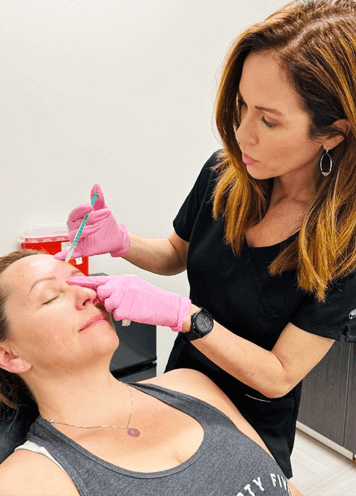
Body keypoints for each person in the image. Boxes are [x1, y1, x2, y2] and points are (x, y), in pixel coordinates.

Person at [54, 0, 356, 480]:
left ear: (332, 134)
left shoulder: (344, 244)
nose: (241, 134)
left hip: (254, 422)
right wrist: (120, 241)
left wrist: (186, 317)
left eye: (269, 120)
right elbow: (176, 254)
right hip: (184, 384)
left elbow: (278, 376)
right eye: (241, 107)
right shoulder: (224, 174)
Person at [0, 250, 304, 495]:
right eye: (51, 296)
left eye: (83, 281)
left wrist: (187, 313)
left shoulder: (191, 385)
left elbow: (288, 490)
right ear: (9, 355)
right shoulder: (27, 482)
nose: (87, 295)